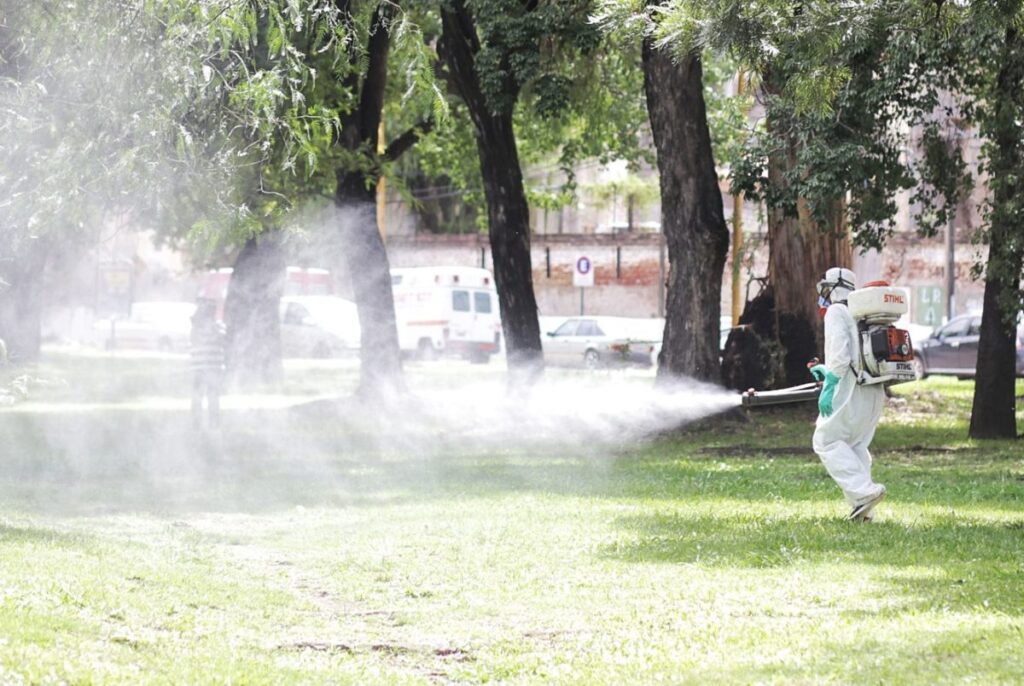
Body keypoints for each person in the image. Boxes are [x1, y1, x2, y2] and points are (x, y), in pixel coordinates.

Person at [808, 268, 887, 521]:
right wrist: (825, 369)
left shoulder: (836, 311)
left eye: (826, 289)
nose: (823, 296)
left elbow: (841, 357)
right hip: (874, 390)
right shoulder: (862, 314)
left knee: (826, 440)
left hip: (852, 390)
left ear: (834, 288)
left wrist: (829, 385)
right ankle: (864, 509)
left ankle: (864, 492)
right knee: (855, 445)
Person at [190, 299, 226, 429]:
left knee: (197, 397)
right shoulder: (218, 326)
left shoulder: (195, 328)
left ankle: (196, 422)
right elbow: (222, 341)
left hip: (198, 367)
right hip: (213, 367)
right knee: (213, 396)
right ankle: (214, 422)